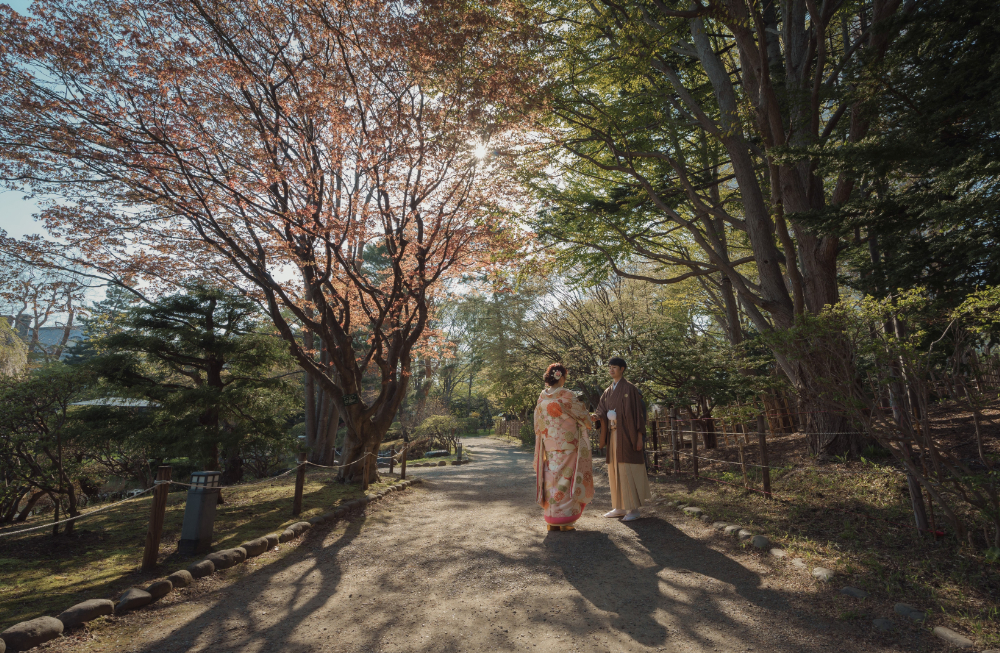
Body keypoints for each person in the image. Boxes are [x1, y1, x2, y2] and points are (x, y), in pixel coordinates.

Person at [533, 363, 595, 531]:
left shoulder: (542, 397)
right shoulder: (567, 394)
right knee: (566, 479)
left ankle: (551, 519)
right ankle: (565, 520)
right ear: (562, 377)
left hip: (550, 444)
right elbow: (583, 416)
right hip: (568, 444)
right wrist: (589, 419)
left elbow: (538, 424)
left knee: (551, 478)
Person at [593, 356, 650, 521]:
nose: (611, 370)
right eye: (610, 367)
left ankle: (633, 509)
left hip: (627, 435)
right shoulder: (608, 390)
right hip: (613, 434)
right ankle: (619, 507)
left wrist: (639, 437)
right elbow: (601, 409)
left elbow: (638, 415)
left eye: (614, 367)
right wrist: (597, 417)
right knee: (615, 470)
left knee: (628, 469)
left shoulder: (630, 389)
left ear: (622, 369)